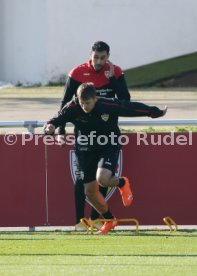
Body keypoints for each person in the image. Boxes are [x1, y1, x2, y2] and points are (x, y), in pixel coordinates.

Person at [44, 83, 167, 234]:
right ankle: (109, 219)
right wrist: (49, 127)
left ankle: (122, 182)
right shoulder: (72, 106)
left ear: (95, 99)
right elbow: (56, 119)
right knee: (89, 191)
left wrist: (154, 112)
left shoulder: (107, 104)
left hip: (108, 145)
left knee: (102, 179)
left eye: (87, 103)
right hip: (85, 149)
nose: (84, 106)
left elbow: (130, 108)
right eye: (81, 103)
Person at [58, 41, 130, 231]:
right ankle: (79, 220)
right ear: (90, 54)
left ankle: (97, 218)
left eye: (103, 58)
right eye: (95, 57)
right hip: (84, 135)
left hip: (107, 135)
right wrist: (61, 130)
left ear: (108, 57)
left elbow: (125, 101)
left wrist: (114, 79)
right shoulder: (77, 73)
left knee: (102, 177)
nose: (98, 61)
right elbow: (65, 105)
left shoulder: (115, 71)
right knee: (82, 179)